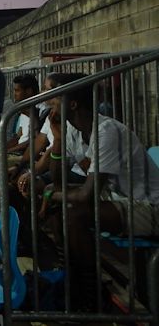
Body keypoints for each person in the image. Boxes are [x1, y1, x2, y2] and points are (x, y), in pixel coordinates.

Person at [42, 73, 159, 309]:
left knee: (76, 214)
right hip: (119, 199)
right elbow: (56, 181)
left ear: (72, 104)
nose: (49, 103)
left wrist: (51, 194)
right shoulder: (72, 130)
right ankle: (71, 277)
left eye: (55, 98)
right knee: (58, 204)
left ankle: (90, 296)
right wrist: (56, 140)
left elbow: (87, 195)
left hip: (149, 206)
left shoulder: (106, 131)